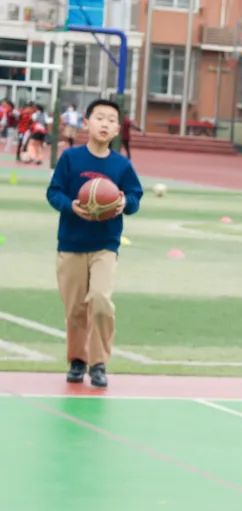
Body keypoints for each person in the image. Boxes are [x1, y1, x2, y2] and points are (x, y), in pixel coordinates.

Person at [45, 99, 143, 389]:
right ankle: (77, 360)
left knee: (100, 301)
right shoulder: (70, 159)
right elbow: (54, 193)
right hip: (71, 243)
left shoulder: (121, 165)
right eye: (99, 118)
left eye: (111, 120)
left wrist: (125, 201)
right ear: (86, 123)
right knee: (75, 308)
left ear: (117, 129)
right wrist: (70, 206)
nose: (105, 124)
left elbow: (135, 198)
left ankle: (98, 363)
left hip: (105, 245)